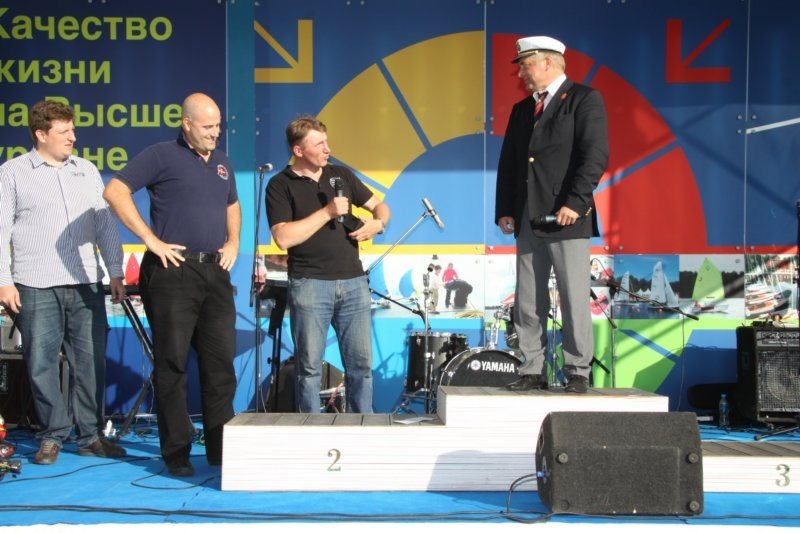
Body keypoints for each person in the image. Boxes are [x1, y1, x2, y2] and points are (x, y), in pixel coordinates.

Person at [103, 93, 240, 477]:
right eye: (208, 126)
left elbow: (232, 204)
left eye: (218, 126)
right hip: (171, 270)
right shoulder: (161, 154)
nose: (215, 133)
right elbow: (114, 191)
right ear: (187, 124)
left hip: (214, 271)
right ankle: (176, 452)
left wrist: (233, 242)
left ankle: (220, 449)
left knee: (220, 365)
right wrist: (150, 240)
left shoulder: (223, 162)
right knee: (172, 363)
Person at [0, 99, 127, 464]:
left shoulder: (86, 170)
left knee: (90, 362)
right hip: (35, 283)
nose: (73, 137)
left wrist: (114, 269)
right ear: (41, 134)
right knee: (41, 362)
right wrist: (4, 280)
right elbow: (1, 227)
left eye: (73, 129)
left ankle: (90, 435)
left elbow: (104, 224)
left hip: (86, 283)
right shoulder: (12, 172)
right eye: (64, 131)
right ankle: (52, 434)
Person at [495, 36, 609, 394]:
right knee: (528, 299)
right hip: (527, 215)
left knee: (573, 297)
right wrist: (505, 209)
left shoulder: (583, 99)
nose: (521, 73)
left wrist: (575, 201)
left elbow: (594, 155)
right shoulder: (522, 109)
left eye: (525, 65)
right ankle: (532, 369)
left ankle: (577, 371)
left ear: (548, 62)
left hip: (567, 217)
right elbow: (510, 163)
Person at [266, 116, 390, 414]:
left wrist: (378, 223)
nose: (327, 149)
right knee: (309, 367)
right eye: (319, 144)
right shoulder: (280, 185)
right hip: (309, 284)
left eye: (326, 141)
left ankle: (363, 426)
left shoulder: (340, 175)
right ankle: (311, 430)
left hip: (354, 282)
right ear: (298, 150)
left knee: (361, 366)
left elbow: (379, 205)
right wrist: (327, 212)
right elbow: (283, 238)